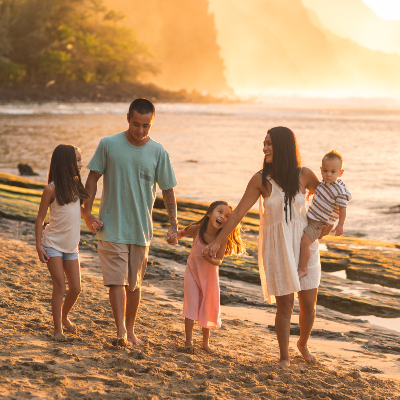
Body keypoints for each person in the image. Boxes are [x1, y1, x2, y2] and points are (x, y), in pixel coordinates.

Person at [205, 126, 332, 367]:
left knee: (308, 305)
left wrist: (326, 226)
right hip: (278, 249)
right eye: (264, 143)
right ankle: (284, 356)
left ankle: (302, 343)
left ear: (284, 146)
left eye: (269, 143)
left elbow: (327, 198)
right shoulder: (260, 179)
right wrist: (216, 242)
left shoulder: (304, 174)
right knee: (285, 305)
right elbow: (238, 213)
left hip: (305, 246)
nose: (264, 148)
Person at [83, 98, 178, 347]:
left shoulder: (158, 152)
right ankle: (120, 332)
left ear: (152, 123)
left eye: (146, 126)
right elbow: (92, 179)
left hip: (140, 229)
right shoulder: (108, 144)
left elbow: (168, 190)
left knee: (134, 285)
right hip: (110, 226)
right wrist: (87, 212)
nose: (140, 131)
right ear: (128, 118)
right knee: (117, 281)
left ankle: (131, 330)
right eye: (136, 124)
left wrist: (174, 224)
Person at [172, 201, 245, 353]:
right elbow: (181, 233)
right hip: (192, 272)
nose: (222, 217)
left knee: (207, 308)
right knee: (191, 305)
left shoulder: (221, 238)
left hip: (209, 280)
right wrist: (173, 237)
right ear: (209, 213)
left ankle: (205, 343)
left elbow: (219, 260)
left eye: (227, 216)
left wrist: (210, 259)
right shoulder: (197, 230)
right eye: (219, 212)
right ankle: (188, 342)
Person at [35, 144, 91, 341]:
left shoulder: (76, 186)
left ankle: (65, 316)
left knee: (76, 288)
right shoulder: (51, 188)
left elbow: (79, 211)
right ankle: (57, 329)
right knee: (60, 287)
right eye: (77, 160)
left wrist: (91, 220)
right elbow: (41, 219)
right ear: (66, 162)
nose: (81, 164)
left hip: (71, 247)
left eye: (80, 160)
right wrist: (38, 246)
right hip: (52, 245)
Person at [298, 150, 351, 279]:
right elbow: (320, 192)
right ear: (321, 170)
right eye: (325, 171)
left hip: (318, 224)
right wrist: (313, 193)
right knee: (301, 241)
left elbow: (342, 208)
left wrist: (340, 225)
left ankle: (303, 268)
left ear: (340, 173)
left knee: (304, 243)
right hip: (310, 218)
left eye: (333, 172)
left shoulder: (339, 190)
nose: (328, 174)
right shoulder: (324, 183)